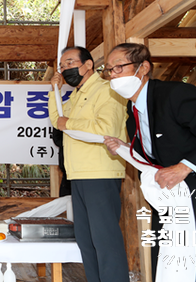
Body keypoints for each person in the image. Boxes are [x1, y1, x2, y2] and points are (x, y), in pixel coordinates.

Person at [103, 43, 196, 282]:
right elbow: (155, 156)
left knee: (195, 259)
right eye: (108, 70)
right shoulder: (132, 111)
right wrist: (125, 149)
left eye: (118, 68)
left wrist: (185, 167)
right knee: (164, 255)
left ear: (143, 67)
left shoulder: (175, 95)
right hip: (172, 197)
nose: (112, 75)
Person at [48, 46, 129, 282]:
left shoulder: (106, 91)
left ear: (88, 64)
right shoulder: (76, 94)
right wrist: (54, 90)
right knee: (87, 240)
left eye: (71, 62)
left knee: (105, 240)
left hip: (100, 172)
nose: (66, 69)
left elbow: (106, 130)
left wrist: (68, 123)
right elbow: (58, 120)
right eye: (63, 66)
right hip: (78, 174)